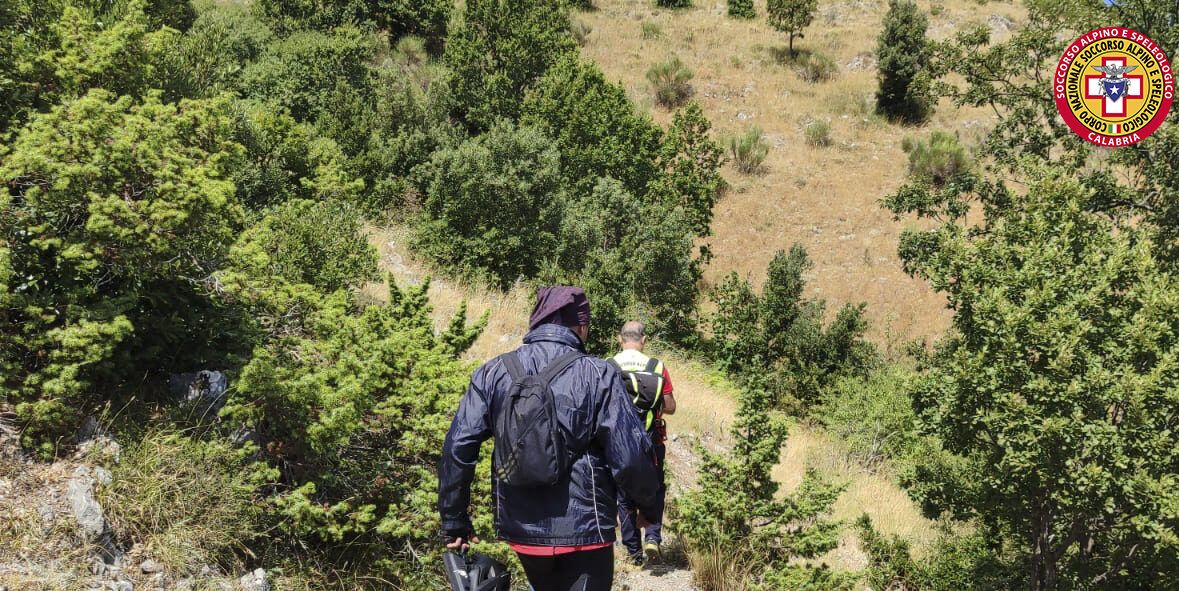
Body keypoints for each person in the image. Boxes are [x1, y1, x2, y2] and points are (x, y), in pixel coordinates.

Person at [438, 287, 663, 591]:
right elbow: (631, 455)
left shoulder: (492, 372)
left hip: (522, 528)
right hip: (586, 527)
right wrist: (649, 508)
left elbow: (458, 447)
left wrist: (454, 521)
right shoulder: (599, 374)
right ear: (580, 327)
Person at [609, 321, 676, 565]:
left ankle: (634, 554)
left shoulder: (609, 365)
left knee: (624, 495)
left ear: (620, 339)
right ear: (643, 340)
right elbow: (670, 406)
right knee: (655, 488)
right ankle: (653, 537)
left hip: (619, 444)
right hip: (651, 440)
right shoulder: (656, 366)